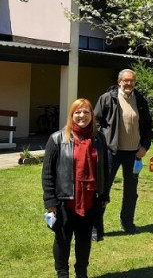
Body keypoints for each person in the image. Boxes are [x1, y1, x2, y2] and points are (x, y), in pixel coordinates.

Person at [42, 98, 110, 278]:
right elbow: (48, 174)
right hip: (65, 202)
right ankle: (62, 274)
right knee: (62, 240)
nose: (82, 116)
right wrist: (50, 202)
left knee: (84, 240)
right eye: (77, 112)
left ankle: (82, 273)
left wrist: (103, 195)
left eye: (86, 112)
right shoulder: (57, 139)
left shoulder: (99, 139)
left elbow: (104, 169)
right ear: (71, 115)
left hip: (90, 201)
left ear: (91, 115)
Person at [93, 69, 152, 238]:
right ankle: (96, 226)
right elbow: (96, 121)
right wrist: (103, 142)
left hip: (134, 154)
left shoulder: (140, 100)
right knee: (103, 189)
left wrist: (144, 147)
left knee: (131, 191)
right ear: (119, 81)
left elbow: (147, 125)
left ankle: (127, 223)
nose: (129, 84)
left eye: (132, 81)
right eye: (126, 80)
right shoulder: (108, 98)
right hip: (112, 152)